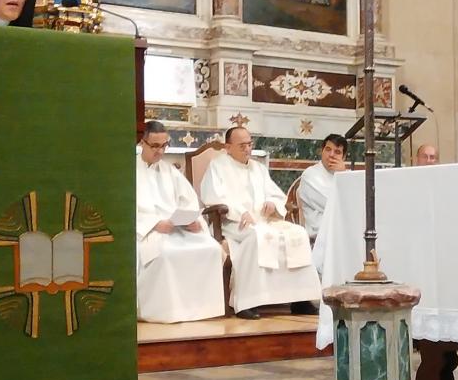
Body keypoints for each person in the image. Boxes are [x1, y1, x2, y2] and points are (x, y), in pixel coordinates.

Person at [200, 126, 321, 320]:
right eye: (242, 146)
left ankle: (301, 299)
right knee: (258, 238)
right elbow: (213, 197)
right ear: (228, 147)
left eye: (249, 144)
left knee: (297, 233)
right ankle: (247, 302)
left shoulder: (258, 168)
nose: (247, 149)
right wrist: (240, 213)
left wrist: (273, 204)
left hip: (264, 220)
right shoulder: (218, 166)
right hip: (235, 224)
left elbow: (274, 194)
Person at [135, 122, 224, 323]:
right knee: (166, 254)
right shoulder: (129, 171)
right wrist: (154, 224)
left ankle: (202, 309)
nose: (160, 151)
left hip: (178, 228)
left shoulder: (169, 171)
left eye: (164, 145)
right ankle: (168, 311)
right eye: (154, 146)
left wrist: (193, 220)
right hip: (150, 231)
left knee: (210, 248)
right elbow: (125, 207)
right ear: (143, 142)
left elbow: (189, 201)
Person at [295, 133, 347, 246]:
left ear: (344, 158)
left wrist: (343, 175)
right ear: (321, 151)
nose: (332, 155)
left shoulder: (347, 176)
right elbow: (333, 204)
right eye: (328, 150)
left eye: (337, 152)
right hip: (320, 241)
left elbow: (358, 205)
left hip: (344, 236)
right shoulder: (310, 175)